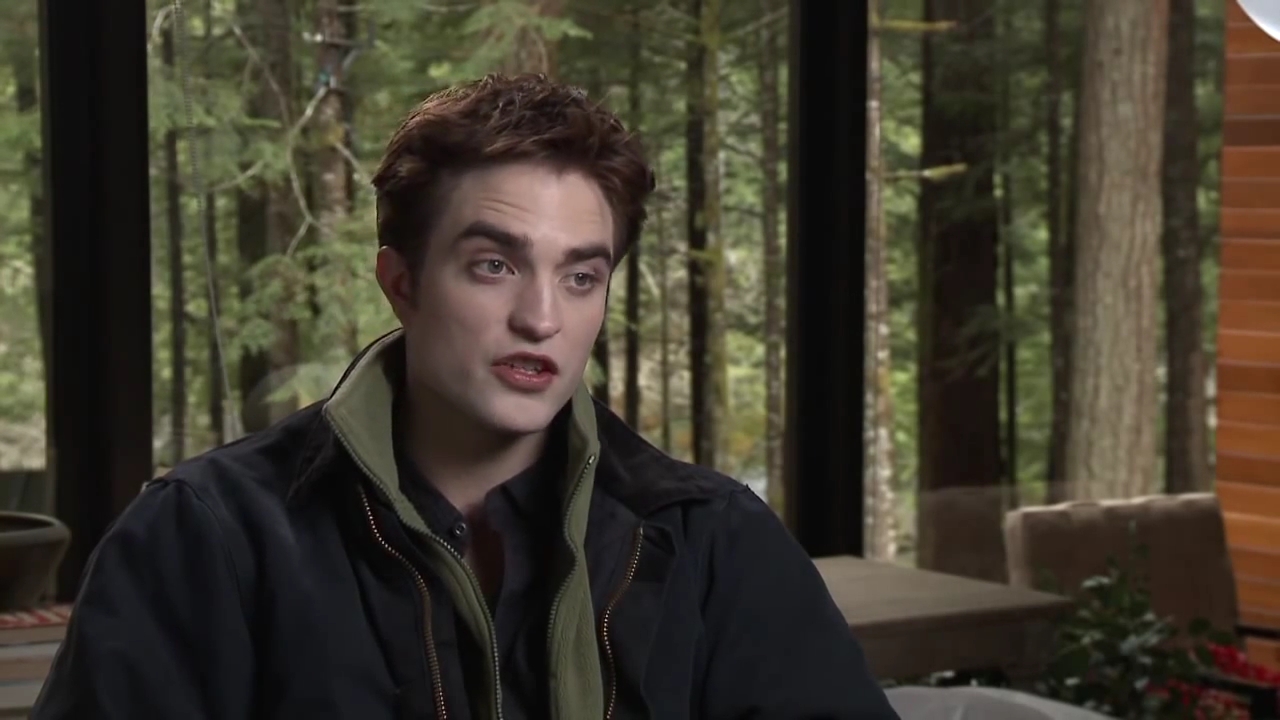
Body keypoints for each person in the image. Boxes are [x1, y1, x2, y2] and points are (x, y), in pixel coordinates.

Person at [33, 74, 897, 720]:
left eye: (581, 276)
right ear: (401, 282)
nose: (541, 318)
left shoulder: (713, 542)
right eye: (494, 264)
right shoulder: (204, 539)